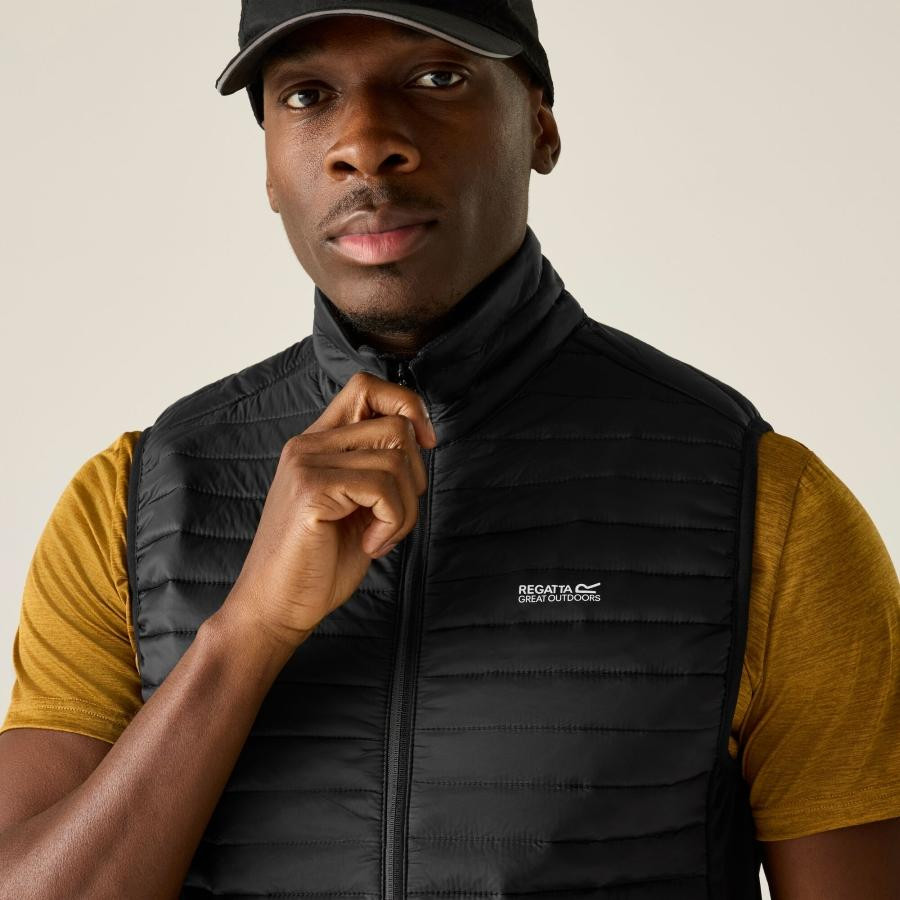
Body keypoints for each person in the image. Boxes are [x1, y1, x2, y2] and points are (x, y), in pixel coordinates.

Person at [0, 2, 897, 896]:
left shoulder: (762, 508)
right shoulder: (131, 506)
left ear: (540, 125)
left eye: (437, 78)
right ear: (269, 166)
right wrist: (245, 636)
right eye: (307, 95)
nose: (364, 144)